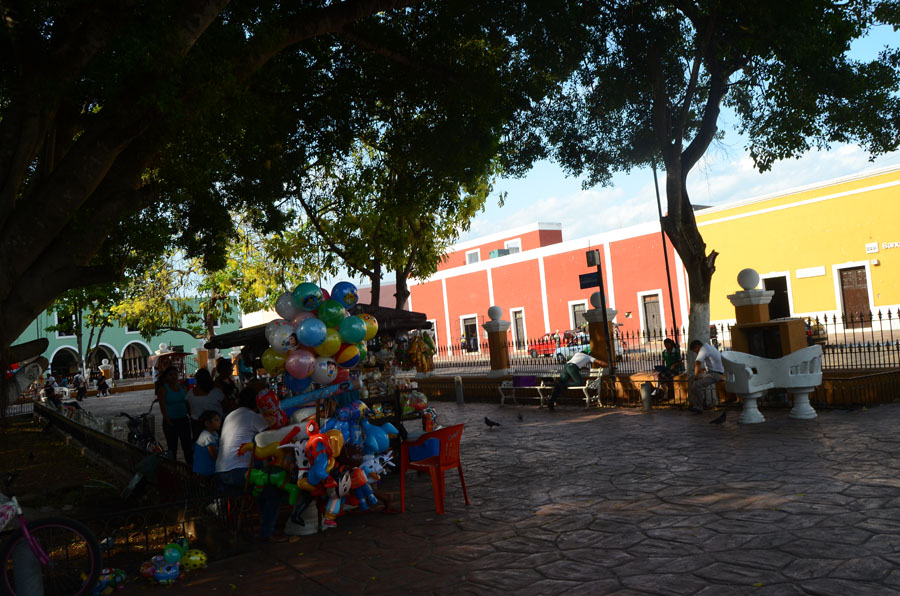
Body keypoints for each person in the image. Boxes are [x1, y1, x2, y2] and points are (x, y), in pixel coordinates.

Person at [216, 387, 285, 542]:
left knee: (262, 486)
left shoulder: (231, 415)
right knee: (273, 490)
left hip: (221, 471)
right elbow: (272, 435)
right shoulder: (253, 416)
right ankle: (267, 533)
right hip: (238, 471)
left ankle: (262, 526)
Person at [156, 365, 193, 467]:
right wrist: (168, 419)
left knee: (187, 447)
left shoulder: (182, 387)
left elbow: (186, 402)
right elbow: (162, 406)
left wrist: (189, 414)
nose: (174, 377)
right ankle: (173, 469)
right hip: (171, 422)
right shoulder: (163, 389)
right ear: (166, 377)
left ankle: (190, 468)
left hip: (184, 420)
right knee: (172, 448)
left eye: (175, 374)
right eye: (170, 375)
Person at [688, 339, 725, 416]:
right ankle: (695, 403)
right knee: (691, 379)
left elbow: (697, 363)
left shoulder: (703, 349)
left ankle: (699, 407)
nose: (696, 353)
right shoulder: (708, 347)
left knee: (697, 384)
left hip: (716, 374)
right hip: (711, 372)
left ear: (697, 346)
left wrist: (696, 376)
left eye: (695, 351)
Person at [186, 368, 224, 439]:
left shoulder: (190, 393)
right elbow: (225, 405)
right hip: (213, 424)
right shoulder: (216, 391)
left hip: (197, 424)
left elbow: (188, 408)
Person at [193, 410, 221, 477]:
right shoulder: (208, 437)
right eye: (216, 420)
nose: (219, 422)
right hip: (206, 471)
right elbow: (215, 456)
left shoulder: (214, 433)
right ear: (207, 423)